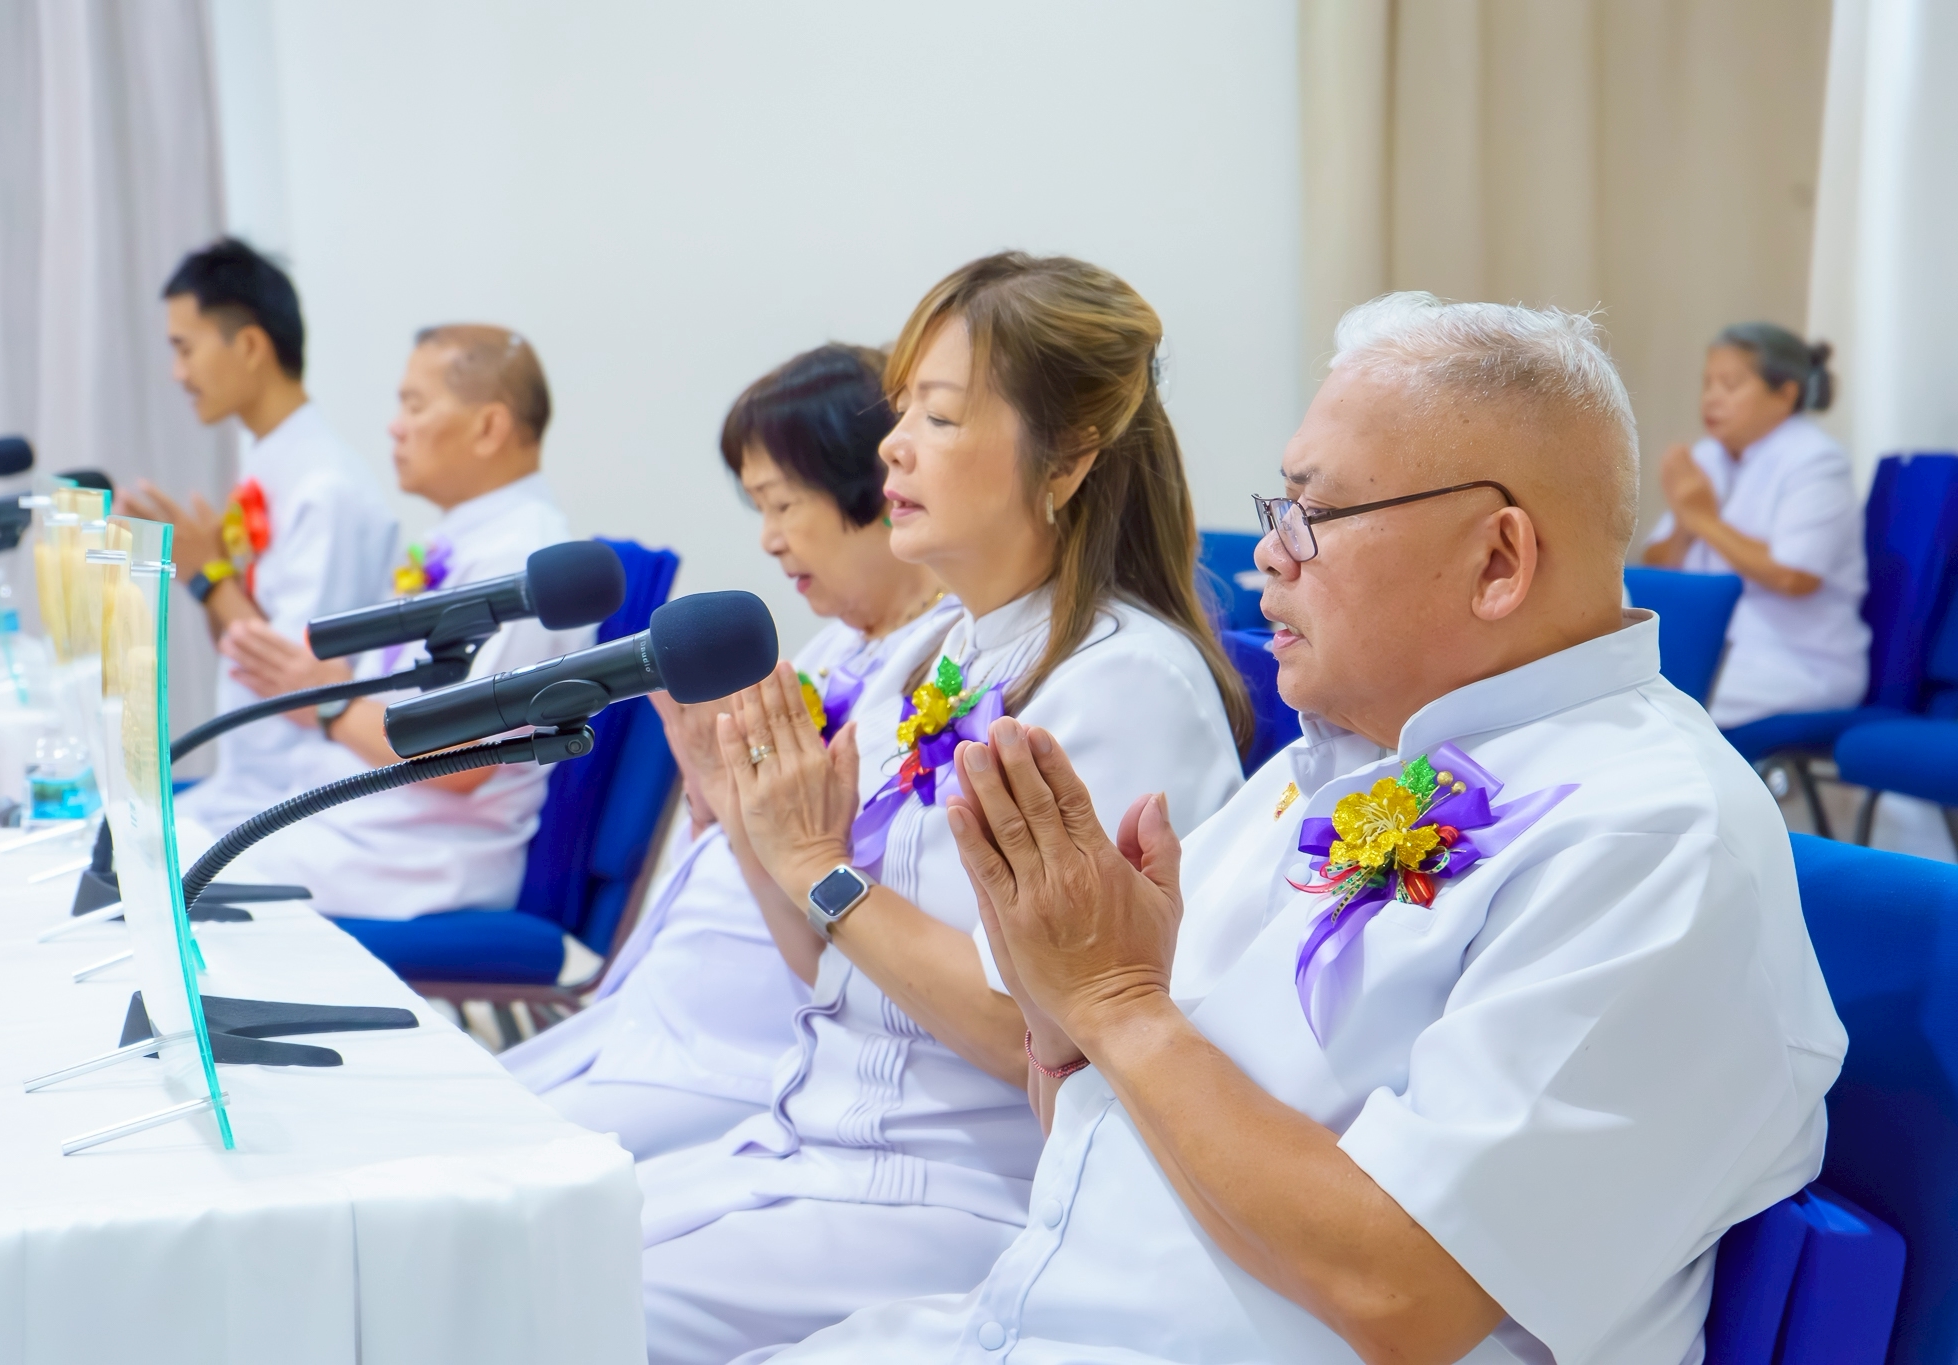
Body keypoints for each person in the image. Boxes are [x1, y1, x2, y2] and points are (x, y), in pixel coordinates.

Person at [759, 294, 1846, 1365]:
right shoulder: (1321, 768)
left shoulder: (1647, 837)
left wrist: (1117, 1008)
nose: (1268, 557)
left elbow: (1404, 1294)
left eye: (1310, 515)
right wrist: (1059, 1016)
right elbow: (1109, 1149)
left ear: (1498, 559)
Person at [634, 252, 1253, 1365]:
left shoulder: (1124, 683)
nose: (891, 446)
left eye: (939, 414)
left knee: (538, 1309)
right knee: (498, 1260)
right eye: (899, 411)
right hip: (811, 1145)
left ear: (1064, 460)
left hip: (957, 1195)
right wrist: (754, 829)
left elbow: (1045, 1025)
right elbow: (830, 959)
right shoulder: (938, 652)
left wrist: (822, 868)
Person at [501, 343, 961, 1158]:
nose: (769, 541)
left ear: (874, 489)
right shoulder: (825, 653)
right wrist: (715, 799)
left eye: (781, 505)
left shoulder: (940, 682)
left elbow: (836, 892)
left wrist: (742, 811)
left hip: (753, 1050)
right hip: (664, 1015)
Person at [213, 325, 591, 922]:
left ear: (489, 428)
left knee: (172, 880)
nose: (395, 426)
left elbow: (465, 755)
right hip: (359, 828)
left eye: (415, 405)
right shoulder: (465, 536)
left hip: (417, 856)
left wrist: (327, 705)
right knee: (153, 847)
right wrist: (322, 687)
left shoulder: (522, 556)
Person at [123, 238, 399, 834]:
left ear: (249, 346)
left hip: (304, 789)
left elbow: (290, 673)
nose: (178, 374)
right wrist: (208, 579)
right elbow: (249, 630)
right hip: (253, 778)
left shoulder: (324, 486)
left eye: (185, 349)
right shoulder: (273, 462)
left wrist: (208, 573)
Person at [1641, 324, 1869, 727]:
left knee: (1655, 703)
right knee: (1626, 689)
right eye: (1707, 383)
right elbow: (1656, 565)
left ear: (1785, 395)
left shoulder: (1815, 461)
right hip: (1714, 647)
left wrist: (1703, 518)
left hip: (1796, 661)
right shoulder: (1708, 457)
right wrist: (1685, 523)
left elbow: (1795, 576)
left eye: (1729, 384)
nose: (1712, 397)